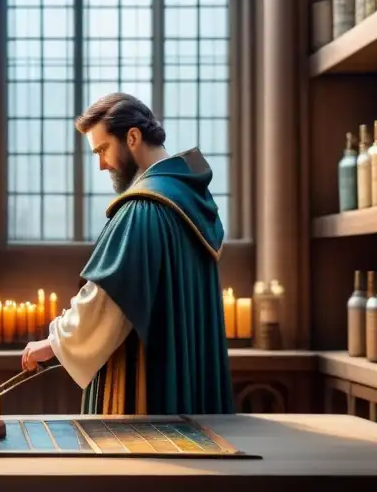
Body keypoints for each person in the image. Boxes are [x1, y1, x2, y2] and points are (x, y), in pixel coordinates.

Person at [21, 92, 233, 415]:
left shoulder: (143, 208)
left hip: (149, 398)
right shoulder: (192, 200)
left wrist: (53, 343)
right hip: (190, 384)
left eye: (103, 149)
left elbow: (108, 300)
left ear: (132, 137)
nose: (101, 163)